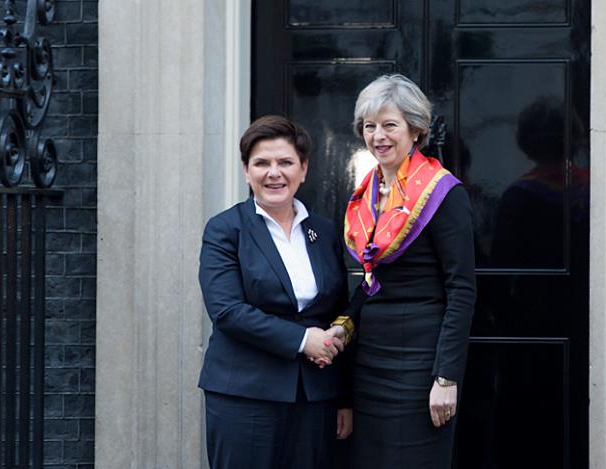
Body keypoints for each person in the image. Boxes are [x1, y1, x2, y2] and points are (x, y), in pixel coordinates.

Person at [329, 74, 477, 468]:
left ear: (416, 130)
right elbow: (372, 282)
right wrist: (343, 325)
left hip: (419, 365)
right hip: (369, 365)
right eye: (370, 126)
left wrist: (446, 377)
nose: (378, 135)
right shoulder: (367, 193)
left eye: (390, 125)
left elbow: (461, 289)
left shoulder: (444, 193)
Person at [198, 115, 353, 469]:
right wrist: (302, 340)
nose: (274, 173)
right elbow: (227, 311)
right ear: (246, 170)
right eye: (261, 163)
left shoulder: (325, 232)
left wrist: (343, 395)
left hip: (315, 397)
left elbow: (338, 309)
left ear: (304, 169)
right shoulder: (225, 229)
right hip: (244, 394)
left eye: (285, 162)